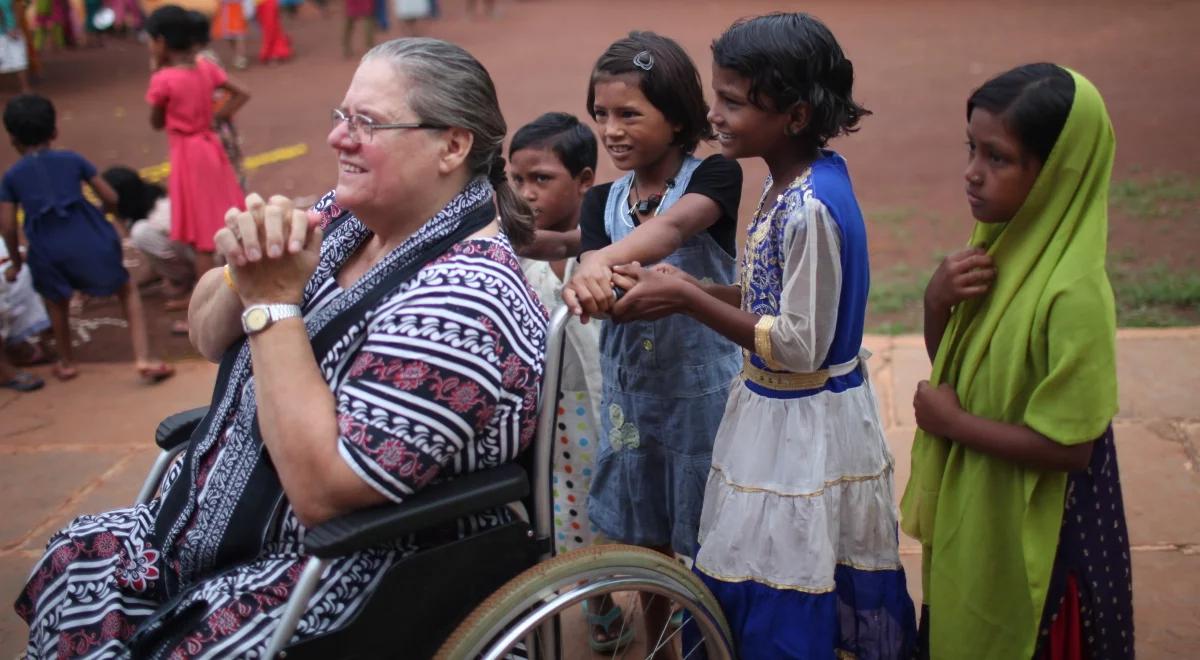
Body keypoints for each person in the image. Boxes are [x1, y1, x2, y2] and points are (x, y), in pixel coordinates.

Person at [15, 36, 546, 658]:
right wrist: (245, 269)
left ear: (452, 146)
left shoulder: (465, 301)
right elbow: (211, 337)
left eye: (367, 123)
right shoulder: (349, 218)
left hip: (348, 574)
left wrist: (273, 304)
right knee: (75, 557)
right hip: (216, 532)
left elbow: (322, 492)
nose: (338, 139)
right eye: (341, 116)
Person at [607, 14, 916, 658]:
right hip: (773, 411)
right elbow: (774, 300)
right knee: (762, 558)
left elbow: (800, 342)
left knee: (788, 568)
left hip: (802, 422)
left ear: (796, 114)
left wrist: (689, 298)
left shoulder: (811, 207)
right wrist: (679, 289)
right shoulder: (787, 183)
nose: (714, 114)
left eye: (734, 101)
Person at [901, 63, 1133, 660]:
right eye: (971, 149)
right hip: (986, 506)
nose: (972, 173)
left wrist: (953, 426)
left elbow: (1071, 447)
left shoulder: (1073, 292)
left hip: (1049, 533)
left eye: (997, 158)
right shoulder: (998, 249)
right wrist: (936, 303)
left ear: (1059, 173)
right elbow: (965, 377)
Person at [560, 31, 743, 653]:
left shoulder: (715, 176)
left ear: (678, 117)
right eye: (601, 114)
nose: (610, 130)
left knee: (714, 538)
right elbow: (600, 277)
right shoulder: (599, 201)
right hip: (632, 406)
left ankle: (715, 641)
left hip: (705, 403)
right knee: (645, 542)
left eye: (629, 114)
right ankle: (662, 644)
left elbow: (670, 231)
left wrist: (597, 263)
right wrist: (593, 271)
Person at [0, 94, 174, 383]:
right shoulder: (72, 159)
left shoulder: (11, 177)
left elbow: (7, 226)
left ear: (13, 140)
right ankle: (142, 357)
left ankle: (67, 362)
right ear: (54, 132)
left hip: (45, 247)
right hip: (91, 238)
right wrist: (98, 213)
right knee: (126, 290)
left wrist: (17, 264)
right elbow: (110, 196)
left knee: (56, 301)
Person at [508, 112, 602, 557]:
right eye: (518, 179)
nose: (527, 193)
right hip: (554, 413)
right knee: (567, 510)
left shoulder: (613, 247)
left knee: (633, 510)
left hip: (612, 403)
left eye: (542, 178)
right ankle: (599, 609)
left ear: (584, 180)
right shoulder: (516, 258)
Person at [145, 5, 247, 309]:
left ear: (161, 42)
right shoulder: (205, 67)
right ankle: (228, 285)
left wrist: (156, 71)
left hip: (188, 153)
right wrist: (215, 118)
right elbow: (242, 92)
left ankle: (203, 304)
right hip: (210, 145)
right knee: (217, 219)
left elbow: (156, 122)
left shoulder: (163, 79)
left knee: (203, 232)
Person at [101, 166, 195, 315]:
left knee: (141, 233)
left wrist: (197, 290)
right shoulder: (148, 203)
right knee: (142, 233)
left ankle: (189, 281)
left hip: (211, 262)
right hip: (197, 255)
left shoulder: (160, 215)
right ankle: (183, 277)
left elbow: (202, 250)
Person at [190, 10, 249, 193]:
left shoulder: (201, 62)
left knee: (227, 179)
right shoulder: (206, 57)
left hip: (216, 128)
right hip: (220, 124)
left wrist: (213, 119)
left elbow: (240, 93)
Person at [0, 0, 31, 92]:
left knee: (19, 60)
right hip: (10, 30)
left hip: (8, 31)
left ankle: (25, 88)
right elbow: (16, 11)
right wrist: (14, 28)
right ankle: (25, 88)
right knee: (20, 61)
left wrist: (11, 28)